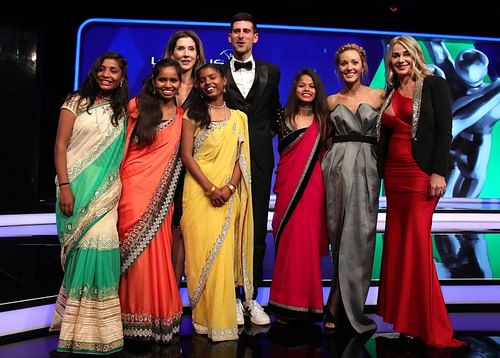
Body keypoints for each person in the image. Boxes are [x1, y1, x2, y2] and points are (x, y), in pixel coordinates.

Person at [376, 35, 465, 348]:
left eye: (405, 54)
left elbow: (445, 131)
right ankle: (404, 322)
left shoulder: (434, 85)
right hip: (394, 176)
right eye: (394, 56)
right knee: (398, 248)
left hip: (420, 174)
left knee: (416, 248)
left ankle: (430, 326)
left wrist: (438, 171)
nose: (399, 60)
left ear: (415, 55)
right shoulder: (390, 92)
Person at [51, 51, 128, 354]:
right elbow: (60, 145)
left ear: (122, 77)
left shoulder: (122, 111)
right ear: (95, 72)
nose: (107, 74)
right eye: (103, 69)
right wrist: (66, 187)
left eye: (114, 71)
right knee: (80, 253)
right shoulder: (75, 102)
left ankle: (102, 332)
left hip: (107, 194)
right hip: (74, 188)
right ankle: (73, 331)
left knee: (102, 250)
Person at [180, 64, 253, 342]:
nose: (208, 83)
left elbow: (240, 159)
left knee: (222, 256)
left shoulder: (239, 118)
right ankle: (201, 320)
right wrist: (210, 188)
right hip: (198, 193)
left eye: (213, 77)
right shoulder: (192, 115)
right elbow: (187, 156)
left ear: (224, 81)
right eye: (202, 80)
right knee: (200, 256)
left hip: (227, 194)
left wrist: (230, 187)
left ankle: (221, 324)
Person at [118, 58, 183, 343]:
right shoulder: (136, 107)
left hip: (162, 193)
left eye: (173, 80)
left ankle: (155, 315)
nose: (168, 85)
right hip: (131, 189)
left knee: (156, 254)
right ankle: (124, 315)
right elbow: (119, 147)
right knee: (132, 255)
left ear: (180, 83)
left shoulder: (184, 117)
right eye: (163, 80)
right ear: (154, 82)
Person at [321, 43, 385, 334]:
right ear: (338, 68)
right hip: (335, 168)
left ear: (364, 66)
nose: (349, 68)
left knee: (359, 235)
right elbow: (322, 139)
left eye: (354, 63)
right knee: (339, 234)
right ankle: (338, 300)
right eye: (344, 63)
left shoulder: (380, 96)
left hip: (367, 167)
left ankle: (341, 303)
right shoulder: (331, 101)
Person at [223, 11, 281, 326]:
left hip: (259, 161)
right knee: (228, 229)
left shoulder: (272, 72)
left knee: (256, 230)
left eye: (247, 31)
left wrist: (260, 139)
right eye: (236, 31)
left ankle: (252, 298)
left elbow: (274, 113)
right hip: (223, 161)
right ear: (229, 37)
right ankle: (230, 296)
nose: (242, 35)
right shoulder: (216, 73)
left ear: (255, 37)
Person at [267, 68, 329, 323]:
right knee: (288, 240)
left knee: (307, 241)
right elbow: (258, 142)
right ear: (294, 89)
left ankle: (309, 303)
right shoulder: (282, 117)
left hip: (314, 188)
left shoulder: (325, 120)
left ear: (317, 91)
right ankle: (282, 302)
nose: (306, 89)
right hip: (286, 184)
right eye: (301, 84)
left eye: (311, 85)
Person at [163, 30, 206, 286]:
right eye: (181, 49)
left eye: (191, 49)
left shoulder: (205, 87)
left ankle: (174, 294)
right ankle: (157, 291)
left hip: (193, 166)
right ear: (171, 53)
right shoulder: (158, 84)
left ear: (198, 54)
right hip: (161, 165)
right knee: (163, 230)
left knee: (182, 230)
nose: (186, 54)